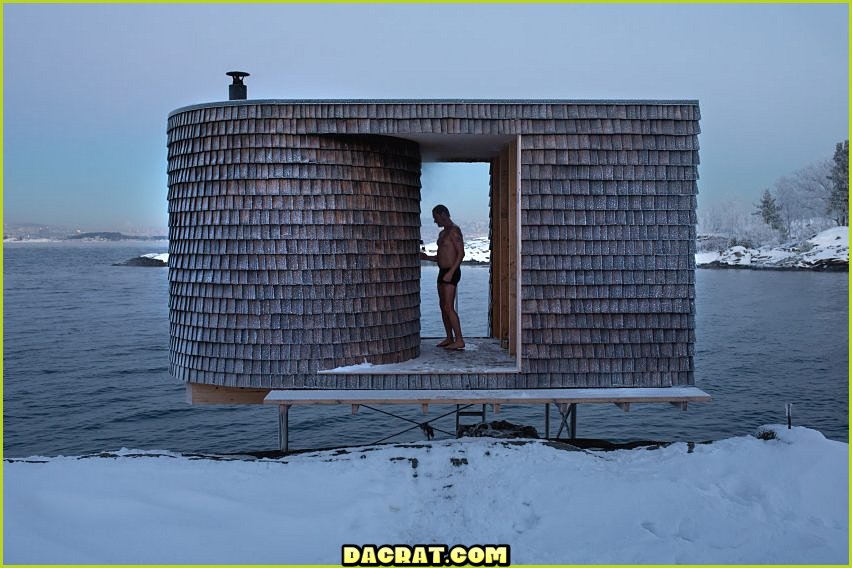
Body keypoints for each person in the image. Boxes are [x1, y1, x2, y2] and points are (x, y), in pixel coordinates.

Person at [420, 204, 465, 350]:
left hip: (451, 272)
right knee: (442, 306)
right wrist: (427, 257)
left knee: (448, 307)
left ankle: (459, 340)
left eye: (436, 218)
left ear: (443, 214)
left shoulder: (454, 231)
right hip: (442, 271)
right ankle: (449, 337)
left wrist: (451, 272)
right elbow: (441, 256)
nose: (435, 221)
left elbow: (461, 254)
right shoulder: (442, 234)